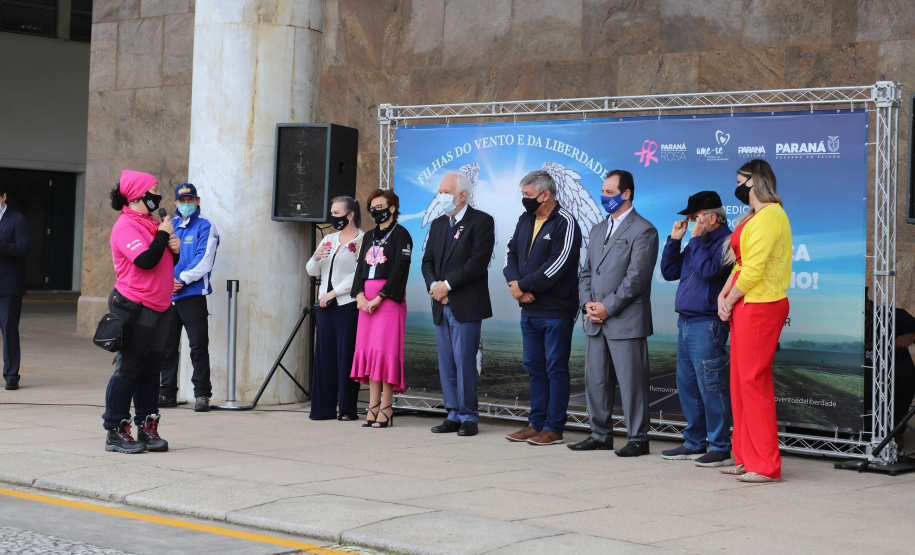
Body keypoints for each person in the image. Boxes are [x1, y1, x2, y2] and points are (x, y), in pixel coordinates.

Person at [570, 169, 658, 457]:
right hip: (595, 320)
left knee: (632, 384)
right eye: (603, 191)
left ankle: (638, 439)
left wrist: (608, 306)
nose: (604, 196)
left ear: (627, 193)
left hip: (625, 321)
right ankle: (599, 435)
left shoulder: (644, 230)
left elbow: (636, 279)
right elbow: (585, 273)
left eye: (609, 192)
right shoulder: (597, 229)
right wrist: (587, 304)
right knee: (596, 381)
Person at [717, 159, 791, 483]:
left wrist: (731, 299)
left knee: (754, 382)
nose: (737, 187)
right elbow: (740, 264)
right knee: (739, 383)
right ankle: (745, 457)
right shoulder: (754, 217)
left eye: (740, 181)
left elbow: (755, 268)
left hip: (761, 306)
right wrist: (724, 294)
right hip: (745, 304)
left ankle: (766, 465)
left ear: (755, 181)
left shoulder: (772, 214)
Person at [503, 170, 581, 446]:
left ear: (545, 194)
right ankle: (535, 424)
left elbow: (558, 265)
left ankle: (554, 428)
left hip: (557, 311)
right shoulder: (525, 219)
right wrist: (515, 285)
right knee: (534, 367)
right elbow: (510, 253)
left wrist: (524, 286)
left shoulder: (565, 222)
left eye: (528, 195)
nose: (524, 200)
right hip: (530, 310)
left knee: (555, 368)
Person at [103, 170, 180, 453]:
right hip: (136, 307)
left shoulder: (149, 223)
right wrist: (163, 235)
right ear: (138, 196)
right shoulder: (126, 226)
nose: (158, 195)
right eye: (154, 190)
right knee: (130, 369)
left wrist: (175, 248)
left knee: (151, 370)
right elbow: (145, 261)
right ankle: (115, 429)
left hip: (159, 307)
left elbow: (161, 260)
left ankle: (147, 426)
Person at [659, 191, 734, 466]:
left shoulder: (727, 241)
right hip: (686, 322)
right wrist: (674, 241)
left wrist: (693, 240)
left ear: (711, 217)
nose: (690, 222)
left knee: (711, 386)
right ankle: (694, 442)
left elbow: (709, 272)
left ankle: (720, 447)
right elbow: (669, 272)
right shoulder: (695, 241)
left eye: (694, 217)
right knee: (688, 385)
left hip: (708, 323)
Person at [421, 171, 495, 437]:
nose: (440, 197)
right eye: (439, 192)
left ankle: (468, 417)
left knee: (465, 362)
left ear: (461, 195)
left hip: (465, 304)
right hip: (441, 303)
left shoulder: (482, 222)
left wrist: (447, 285)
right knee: (447, 362)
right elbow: (427, 261)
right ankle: (452, 414)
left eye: (445, 192)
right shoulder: (439, 224)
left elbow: (477, 262)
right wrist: (434, 287)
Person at [351, 189, 413, 428]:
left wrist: (381, 296)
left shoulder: (402, 234)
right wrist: (359, 296)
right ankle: (373, 405)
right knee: (371, 353)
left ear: (393, 208)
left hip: (388, 301)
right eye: (372, 208)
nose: (376, 211)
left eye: (380, 206)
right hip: (365, 301)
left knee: (385, 353)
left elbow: (400, 270)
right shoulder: (368, 236)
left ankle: (386, 407)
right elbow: (360, 269)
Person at [159, 183, 219, 412]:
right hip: (166, 296)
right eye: (181, 201)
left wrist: (181, 279)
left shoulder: (206, 226)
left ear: (198, 201)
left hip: (192, 295)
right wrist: (167, 282)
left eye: (190, 200)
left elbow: (204, 259)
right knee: (167, 346)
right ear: (175, 203)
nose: (186, 204)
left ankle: (202, 395)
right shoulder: (169, 225)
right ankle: (166, 393)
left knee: (198, 347)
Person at [306, 196, 364, 421]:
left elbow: (358, 275)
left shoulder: (362, 239)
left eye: (337, 214)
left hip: (347, 304)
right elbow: (312, 270)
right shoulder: (328, 238)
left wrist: (334, 291)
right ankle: (322, 409)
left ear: (350, 215)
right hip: (325, 305)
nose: (333, 218)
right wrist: (315, 257)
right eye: (332, 213)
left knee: (346, 356)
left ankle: (348, 409)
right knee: (324, 356)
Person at [0, 182, 29, 391]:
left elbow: (23, 248)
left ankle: (11, 375)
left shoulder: (17, 219)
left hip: (9, 284)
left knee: (9, 329)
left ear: (3, 197)